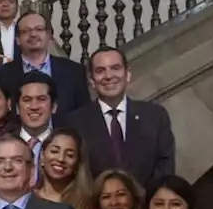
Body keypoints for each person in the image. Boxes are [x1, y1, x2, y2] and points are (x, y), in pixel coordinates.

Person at [60, 47, 176, 186]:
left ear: (128, 74)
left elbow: (165, 168)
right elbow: (72, 175)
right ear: (91, 79)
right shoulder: (74, 122)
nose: (109, 76)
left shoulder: (155, 116)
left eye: (115, 68)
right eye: (100, 71)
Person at [0, 11, 91, 116]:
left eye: (39, 29)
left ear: (48, 35)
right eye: (26, 31)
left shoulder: (74, 71)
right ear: (17, 39)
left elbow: (84, 114)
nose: (33, 34)